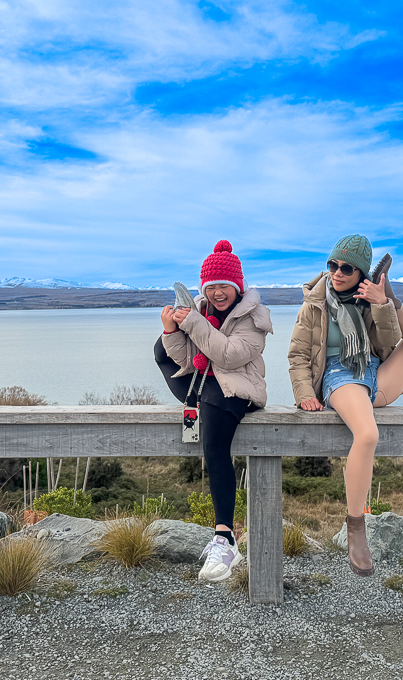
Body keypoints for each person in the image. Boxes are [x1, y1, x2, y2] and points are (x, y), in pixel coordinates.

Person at [288, 234, 403, 576]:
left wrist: (384, 302)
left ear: (361, 274)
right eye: (332, 265)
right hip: (339, 376)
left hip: (372, 372)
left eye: (346, 268)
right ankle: (356, 525)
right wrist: (304, 392)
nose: (337, 273)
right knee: (367, 435)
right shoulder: (315, 304)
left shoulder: (367, 302)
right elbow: (298, 356)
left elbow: (394, 341)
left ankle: (391, 293)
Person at [154, 240, 273, 581]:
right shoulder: (201, 313)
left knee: (216, 448)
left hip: (238, 389)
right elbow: (184, 360)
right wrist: (171, 330)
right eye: (211, 287)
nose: (218, 293)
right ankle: (200, 404)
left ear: (238, 287)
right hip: (205, 387)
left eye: (225, 286)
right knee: (159, 349)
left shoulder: (254, 318)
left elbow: (229, 356)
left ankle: (225, 538)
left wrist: (192, 323)